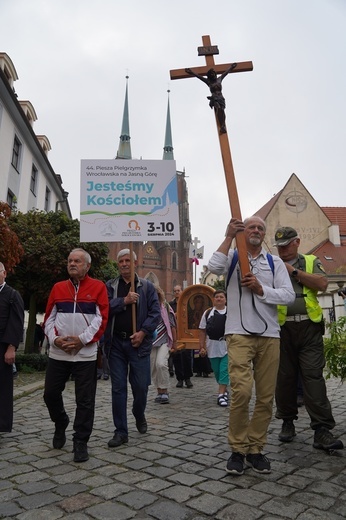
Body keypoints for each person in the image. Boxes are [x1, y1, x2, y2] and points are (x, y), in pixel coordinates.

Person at [208, 216, 295, 475]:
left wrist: (261, 289)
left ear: (263, 234)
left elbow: (288, 295)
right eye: (251, 227)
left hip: (269, 335)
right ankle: (237, 449)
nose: (256, 230)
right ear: (243, 232)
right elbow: (213, 265)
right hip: (238, 333)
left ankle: (256, 448)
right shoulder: (233, 257)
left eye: (260, 228)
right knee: (243, 392)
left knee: (266, 396)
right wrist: (227, 236)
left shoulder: (273, 261)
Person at [273, 227, 344, 451]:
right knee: (284, 378)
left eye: (286, 245)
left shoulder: (311, 261)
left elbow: (322, 284)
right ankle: (287, 421)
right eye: (279, 247)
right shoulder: (271, 265)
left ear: (297, 242)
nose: (282, 250)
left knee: (313, 376)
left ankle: (322, 429)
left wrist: (292, 271)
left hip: (309, 327)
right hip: (282, 328)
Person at [43, 248, 109, 463]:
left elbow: (102, 319)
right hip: (59, 353)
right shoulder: (58, 287)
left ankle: (80, 442)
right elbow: (49, 319)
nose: (72, 264)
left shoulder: (98, 287)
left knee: (85, 401)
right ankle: (61, 421)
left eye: (77, 261)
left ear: (87, 266)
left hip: (85, 354)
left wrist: (82, 339)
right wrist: (56, 340)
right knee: (50, 394)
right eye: (70, 260)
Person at [105, 249, 161, 448]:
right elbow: (103, 308)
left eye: (128, 260)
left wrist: (143, 332)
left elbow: (155, 313)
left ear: (135, 263)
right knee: (118, 388)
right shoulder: (110, 286)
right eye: (121, 261)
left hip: (138, 344)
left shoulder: (146, 287)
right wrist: (123, 301)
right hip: (116, 345)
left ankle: (139, 413)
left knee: (140, 387)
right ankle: (121, 431)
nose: (124, 264)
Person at [0, 262, 24, 433]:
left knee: (2, 388)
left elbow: (16, 323)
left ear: (4, 273)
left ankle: (1, 425)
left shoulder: (12, 295)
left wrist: (11, 347)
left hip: (3, 348)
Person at [185, 64, 237, 134]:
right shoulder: (209, 82)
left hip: (221, 98)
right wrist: (191, 72)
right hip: (214, 98)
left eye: (214, 73)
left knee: (222, 110)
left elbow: (226, 73)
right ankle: (222, 126)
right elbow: (199, 76)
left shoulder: (219, 79)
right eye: (212, 74)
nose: (213, 75)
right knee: (218, 108)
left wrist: (231, 67)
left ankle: (222, 125)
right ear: (210, 76)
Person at [199, 289, 229, 406]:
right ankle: (224, 388)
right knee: (216, 371)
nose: (219, 299)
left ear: (225, 300)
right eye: (217, 297)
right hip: (212, 345)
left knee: (224, 370)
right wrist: (202, 347)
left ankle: (221, 395)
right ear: (213, 299)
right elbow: (202, 330)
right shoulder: (208, 313)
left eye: (221, 297)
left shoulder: (231, 312)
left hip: (227, 345)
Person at [151, 286, 177, 404]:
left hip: (164, 340)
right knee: (154, 367)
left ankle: (165, 391)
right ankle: (159, 392)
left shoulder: (165, 307)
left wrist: (175, 343)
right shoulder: (146, 308)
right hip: (150, 341)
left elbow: (172, 325)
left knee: (161, 364)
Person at [169, 284, 194, 389]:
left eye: (178, 290)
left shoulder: (186, 302)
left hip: (186, 333)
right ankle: (180, 379)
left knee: (187, 356)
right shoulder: (170, 304)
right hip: (176, 334)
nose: (177, 292)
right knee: (177, 356)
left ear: (182, 291)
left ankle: (188, 378)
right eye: (175, 291)